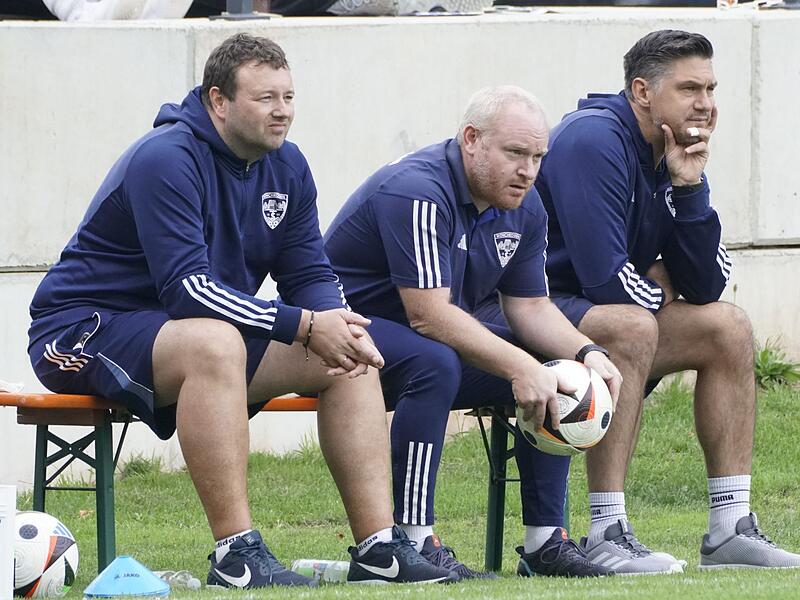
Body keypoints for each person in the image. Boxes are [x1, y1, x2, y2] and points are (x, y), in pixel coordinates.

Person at [27, 33, 457, 588]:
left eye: (289, 96)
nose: (282, 112)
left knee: (345, 357)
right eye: (265, 98)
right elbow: (188, 290)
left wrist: (336, 323)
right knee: (216, 341)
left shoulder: (289, 165)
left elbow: (308, 272)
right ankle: (237, 555)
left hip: (189, 332)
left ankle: (378, 549)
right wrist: (302, 324)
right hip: (82, 331)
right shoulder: (166, 157)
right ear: (218, 102)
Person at [324, 85, 623, 579]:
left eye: (537, 157)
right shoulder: (417, 189)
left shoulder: (525, 207)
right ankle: (413, 540)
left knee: (559, 374)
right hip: (348, 335)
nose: (528, 170)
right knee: (433, 362)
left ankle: (546, 542)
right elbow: (429, 315)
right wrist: (521, 367)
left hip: (423, 339)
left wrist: (584, 352)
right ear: (470, 139)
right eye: (515, 153)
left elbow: (530, 306)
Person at [535, 29, 800, 572]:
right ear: (642, 92)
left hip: (601, 318)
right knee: (632, 325)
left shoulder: (675, 150)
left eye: (710, 87)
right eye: (689, 89)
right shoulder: (594, 141)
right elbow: (606, 283)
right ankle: (607, 531)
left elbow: (709, 283)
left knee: (726, 327)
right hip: (533, 317)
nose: (705, 103)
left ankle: (730, 531)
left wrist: (690, 186)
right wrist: (663, 285)